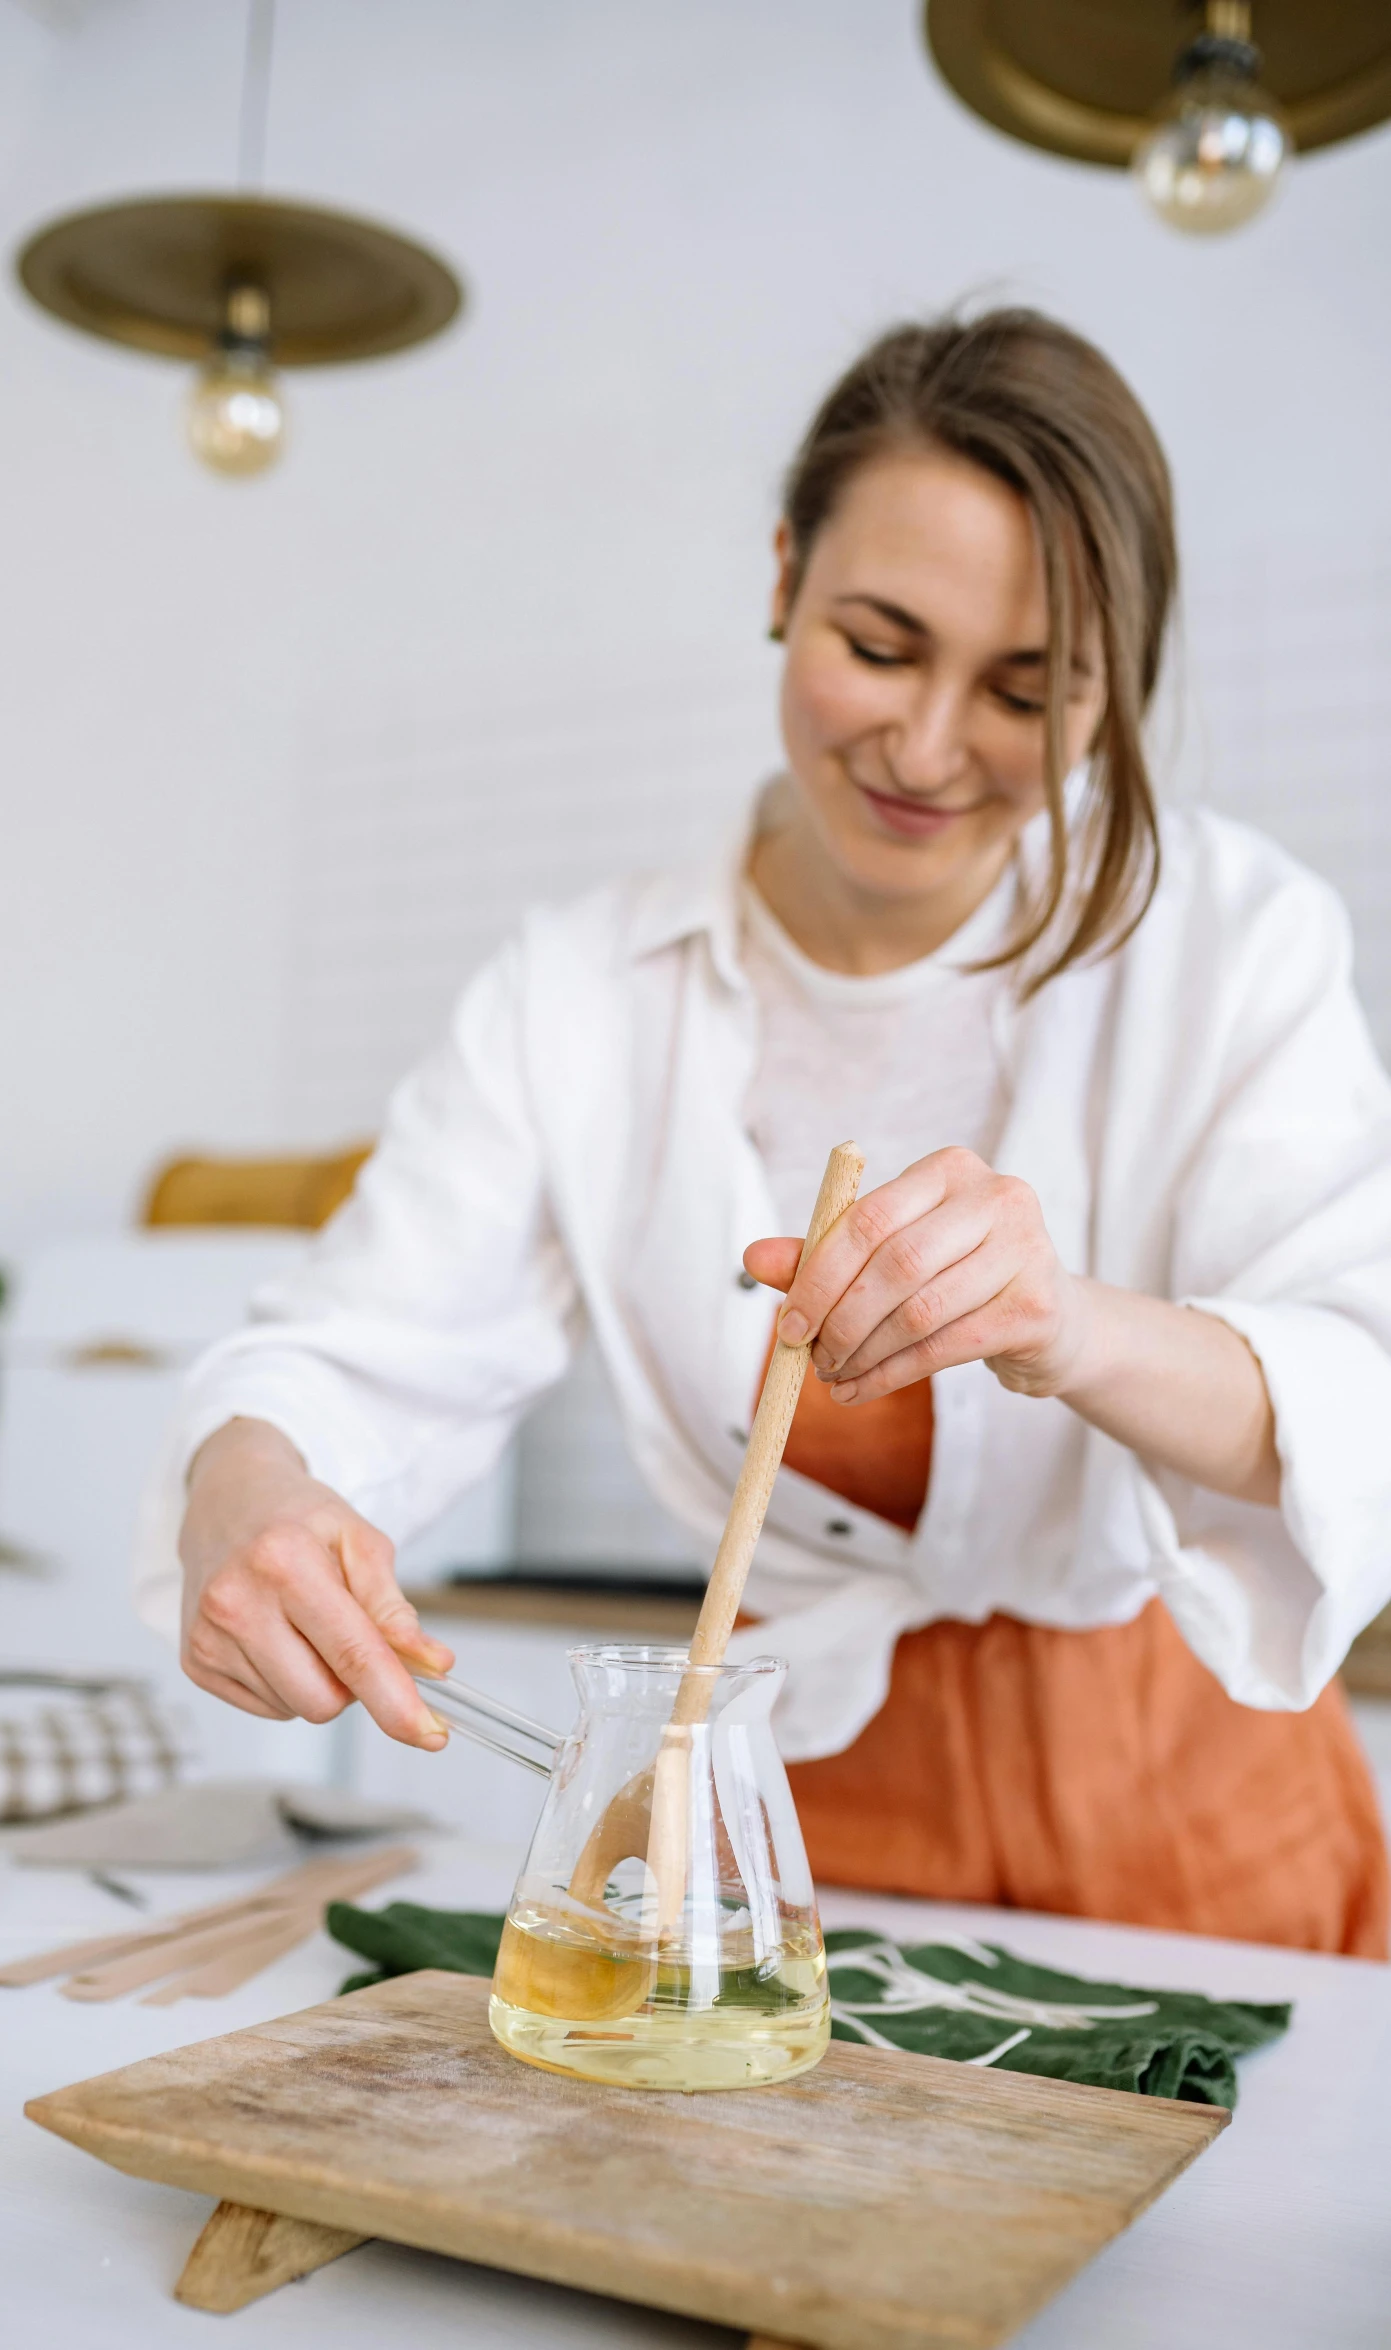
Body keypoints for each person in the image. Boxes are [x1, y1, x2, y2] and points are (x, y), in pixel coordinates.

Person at [141, 310, 1391, 1958]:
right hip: (793, 1814)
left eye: (1027, 689)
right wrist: (243, 1493)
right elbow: (346, 1358)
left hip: (1193, 1807)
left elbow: (1354, 1379)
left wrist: (1065, 1321)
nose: (928, 747)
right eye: (880, 644)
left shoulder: (1229, 936)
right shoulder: (580, 994)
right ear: (784, 569)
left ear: (1112, 695)